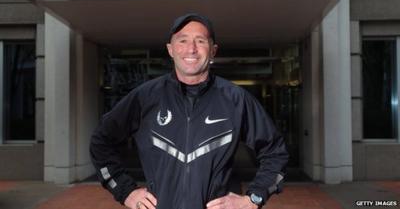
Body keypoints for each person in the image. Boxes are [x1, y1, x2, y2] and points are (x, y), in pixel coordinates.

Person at [90, 13, 289, 209]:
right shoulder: (146, 97)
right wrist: (125, 191)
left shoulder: (235, 99)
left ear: (213, 50)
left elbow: (275, 153)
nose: (191, 49)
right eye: (182, 41)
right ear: (170, 49)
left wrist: (253, 199)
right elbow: (101, 142)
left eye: (200, 41)